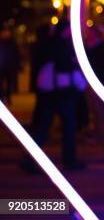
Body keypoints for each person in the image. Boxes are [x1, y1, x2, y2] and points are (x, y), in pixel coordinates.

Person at [23, 20, 86, 172]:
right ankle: (69, 161)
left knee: (43, 128)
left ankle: (30, 161)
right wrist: (74, 63)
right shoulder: (63, 45)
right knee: (68, 128)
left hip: (48, 93)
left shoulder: (47, 44)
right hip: (63, 92)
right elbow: (65, 66)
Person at [0, 27, 21, 105]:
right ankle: (2, 97)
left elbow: (16, 55)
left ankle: (8, 97)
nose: (5, 34)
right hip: (1, 66)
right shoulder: (2, 43)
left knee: (9, 83)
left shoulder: (12, 43)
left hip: (9, 66)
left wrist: (17, 65)